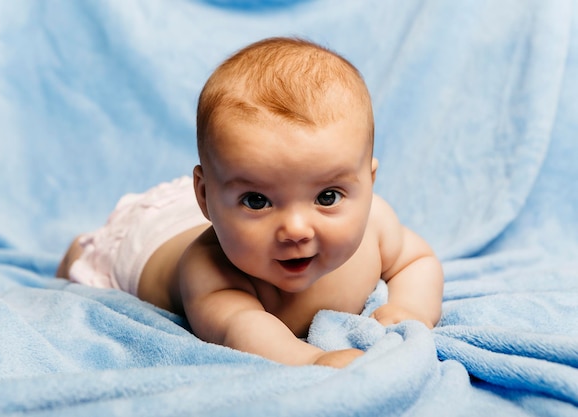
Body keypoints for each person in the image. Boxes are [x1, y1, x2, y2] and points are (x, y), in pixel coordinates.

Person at [57, 37, 444, 368]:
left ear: (369, 184)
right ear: (205, 198)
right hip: (145, 237)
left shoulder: (377, 223)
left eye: (327, 197)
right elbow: (242, 327)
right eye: (257, 201)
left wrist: (412, 308)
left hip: (211, 201)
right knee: (86, 257)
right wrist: (310, 360)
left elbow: (417, 261)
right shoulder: (209, 271)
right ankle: (80, 247)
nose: (295, 229)